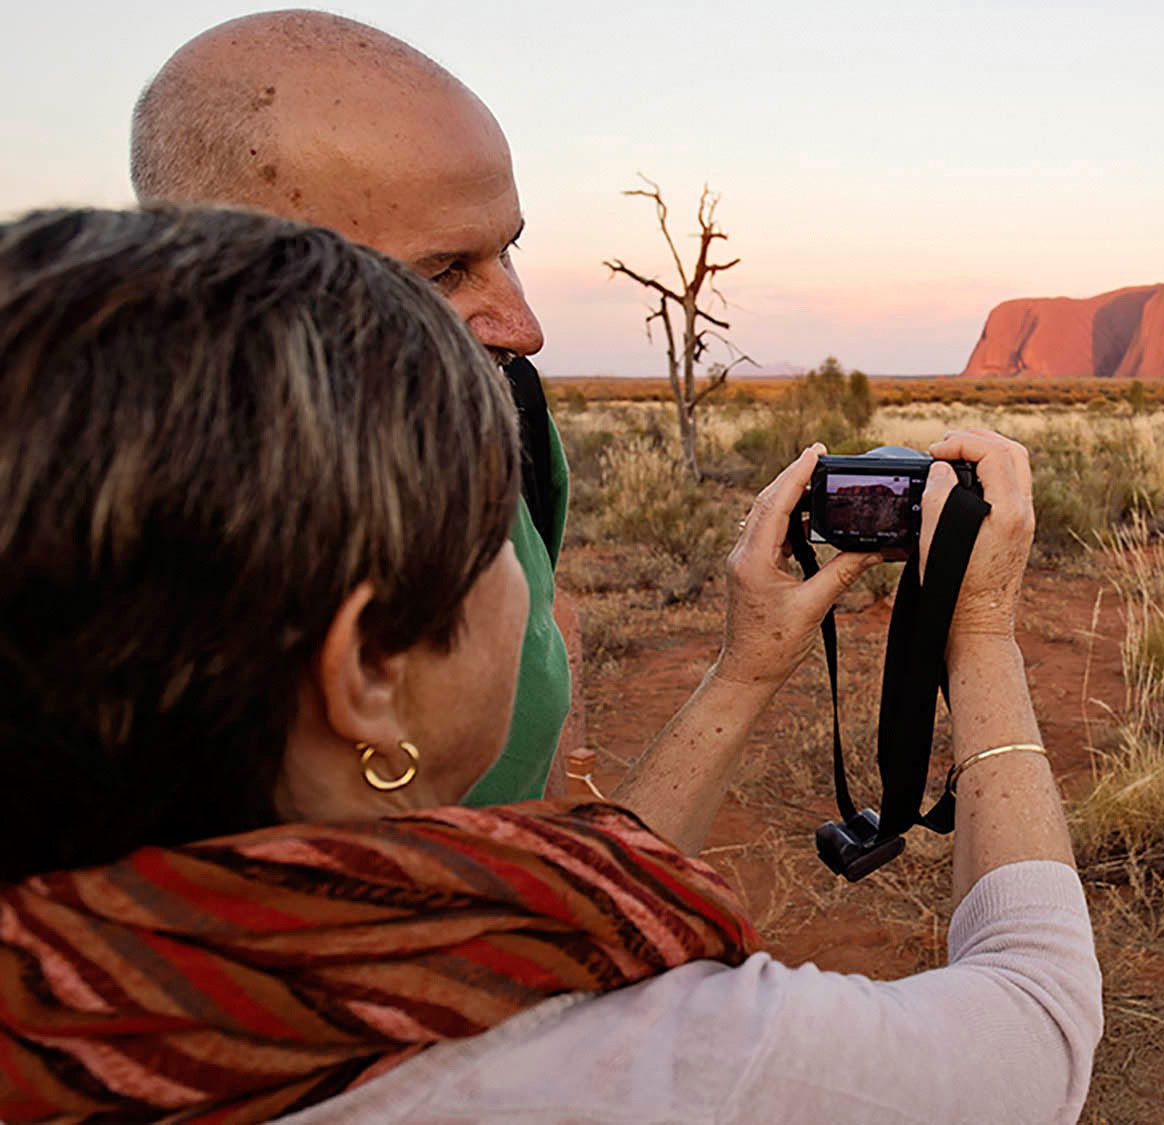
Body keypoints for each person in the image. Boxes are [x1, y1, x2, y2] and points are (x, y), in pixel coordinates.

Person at [0, 205, 1099, 1122]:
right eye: (495, 539)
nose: (527, 579)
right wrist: (983, 628)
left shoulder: (68, 980)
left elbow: (597, 915)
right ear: (370, 668)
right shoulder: (590, 1069)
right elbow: (1036, 1030)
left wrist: (745, 668)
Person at [128, 9, 878, 826]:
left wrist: (746, 667)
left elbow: (544, 826)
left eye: (506, 248)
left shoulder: (501, 411)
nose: (524, 330)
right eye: (447, 272)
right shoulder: (87, 586)